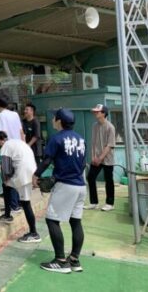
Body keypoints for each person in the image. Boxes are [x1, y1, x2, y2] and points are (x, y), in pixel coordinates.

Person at [33, 108, 87, 274]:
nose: (52, 120)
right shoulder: (81, 139)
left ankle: (60, 261)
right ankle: (74, 259)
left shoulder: (56, 138)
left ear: (59, 121)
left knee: (52, 220)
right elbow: (83, 164)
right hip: (80, 185)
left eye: (54, 117)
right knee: (75, 221)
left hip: (65, 185)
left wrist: (36, 175)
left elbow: (47, 160)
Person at [0, 131, 40, 243]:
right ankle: (7, 215)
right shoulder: (18, 142)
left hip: (23, 175)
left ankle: (34, 233)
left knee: (26, 203)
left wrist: (6, 178)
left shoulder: (5, 146)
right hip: (31, 172)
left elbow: (5, 168)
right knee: (6, 186)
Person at [85, 104, 116, 212]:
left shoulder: (110, 127)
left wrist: (100, 158)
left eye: (97, 111)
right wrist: (93, 156)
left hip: (107, 159)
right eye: (95, 111)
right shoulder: (95, 126)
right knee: (90, 177)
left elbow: (109, 145)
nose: (95, 113)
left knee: (109, 180)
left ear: (103, 113)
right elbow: (93, 143)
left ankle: (110, 204)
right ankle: (94, 202)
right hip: (96, 158)